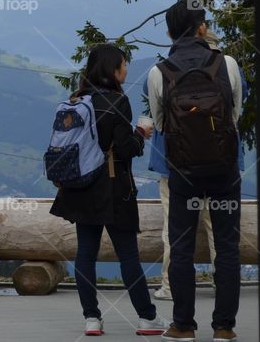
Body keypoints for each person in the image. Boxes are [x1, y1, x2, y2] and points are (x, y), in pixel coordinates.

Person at [50, 44, 169, 337]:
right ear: (112, 69)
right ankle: (147, 318)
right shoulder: (117, 101)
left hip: (79, 186)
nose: (126, 69)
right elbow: (127, 149)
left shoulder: (77, 99)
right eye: (123, 64)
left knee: (85, 253)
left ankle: (91, 318)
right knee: (128, 254)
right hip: (114, 188)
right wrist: (141, 134)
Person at [148, 0, 243, 342]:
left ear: (171, 32)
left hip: (183, 172)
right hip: (224, 170)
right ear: (202, 29)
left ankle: (183, 326)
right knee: (228, 247)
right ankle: (224, 327)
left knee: (182, 247)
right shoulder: (227, 63)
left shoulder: (159, 72)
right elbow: (234, 117)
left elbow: (160, 125)